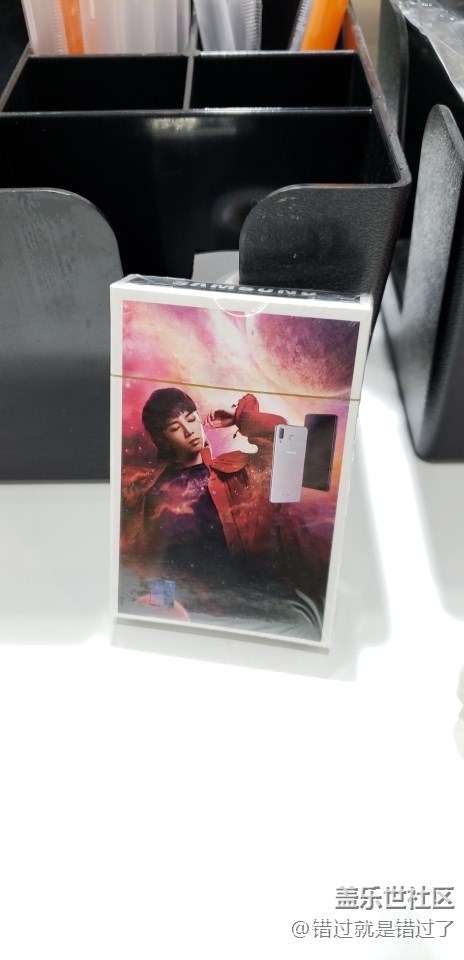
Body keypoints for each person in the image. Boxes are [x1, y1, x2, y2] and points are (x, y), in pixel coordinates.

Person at [119, 389, 328, 637]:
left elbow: (288, 444)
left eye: (191, 418)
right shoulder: (147, 491)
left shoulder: (235, 472)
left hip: (252, 606)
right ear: (162, 439)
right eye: (175, 428)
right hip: (193, 615)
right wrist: (165, 618)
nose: (189, 431)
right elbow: (152, 558)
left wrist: (242, 417)